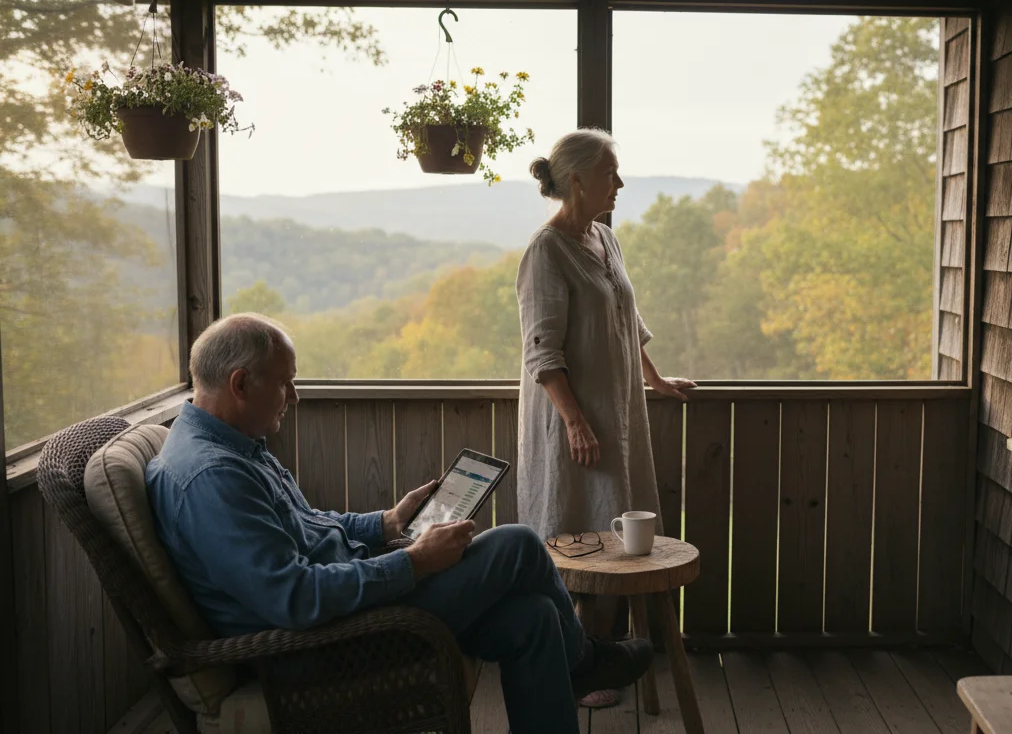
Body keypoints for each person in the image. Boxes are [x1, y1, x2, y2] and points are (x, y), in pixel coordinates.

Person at [145, 313, 652, 734]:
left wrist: (385, 524)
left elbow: (308, 526)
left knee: (534, 618)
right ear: (239, 384)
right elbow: (294, 598)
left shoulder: (231, 445)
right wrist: (414, 562)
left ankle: (580, 662)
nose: (293, 396)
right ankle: (585, 665)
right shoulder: (212, 478)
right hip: (324, 647)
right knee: (518, 544)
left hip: (354, 609)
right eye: (285, 383)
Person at [517, 129, 696, 708]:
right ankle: (578, 666)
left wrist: (657, 381)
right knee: (577, 535)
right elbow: (543, 351)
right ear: (577, 181)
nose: (619, 183)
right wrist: (573, 422)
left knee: (619, 534)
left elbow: (627, 322)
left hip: (618, 416)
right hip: (576, 424)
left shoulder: (604, 240)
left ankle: (604, 655)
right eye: (611, 173)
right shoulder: (546, 251)